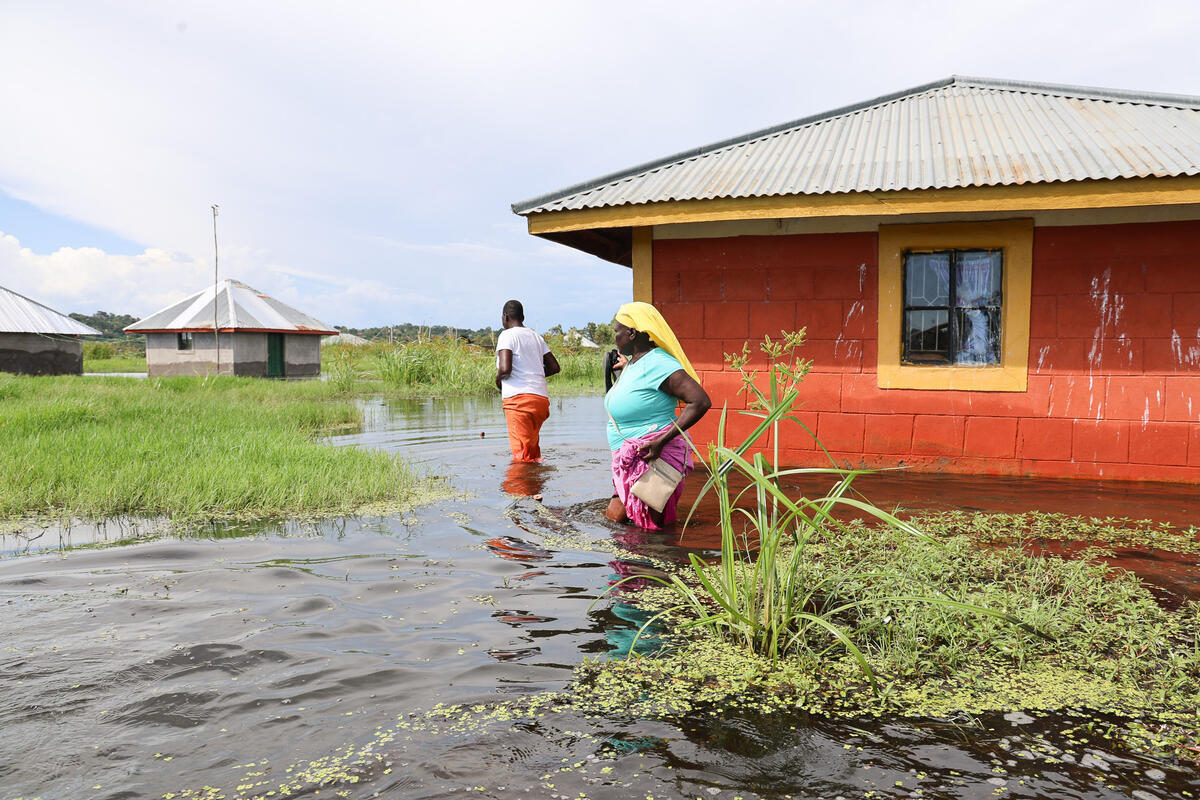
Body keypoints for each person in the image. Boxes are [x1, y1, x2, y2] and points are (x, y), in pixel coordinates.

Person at [604, 302, 711, 529]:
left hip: (652, 457)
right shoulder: (636, 362)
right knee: (617, 520)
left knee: (652, 531)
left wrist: (661, 442)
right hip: (631, 459)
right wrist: (626, 366)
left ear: (631, 333)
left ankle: (659, 563)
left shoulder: (660, 363)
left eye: (617, 330)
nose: (615, 336)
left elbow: (700, 401)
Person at [495, 300, 560, 462]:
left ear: (506, 317)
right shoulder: (536, 336)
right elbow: (554, 367)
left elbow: (505, 369)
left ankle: (519, 486)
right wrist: (533, 374)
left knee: (521, 455)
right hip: (540, 401)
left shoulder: (507, 335)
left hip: (519, 401)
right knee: (531, 450)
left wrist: (498, 382)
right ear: (522, 316)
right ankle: (536, 485)